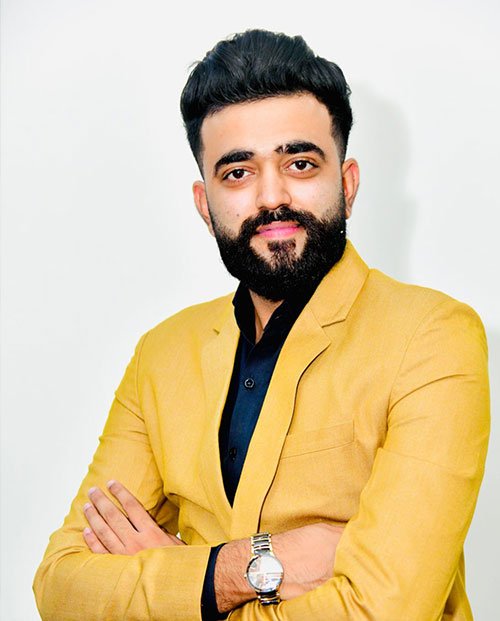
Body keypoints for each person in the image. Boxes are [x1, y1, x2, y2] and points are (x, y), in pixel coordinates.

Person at [33, 29, 490, 621]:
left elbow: (381, 610)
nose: (272, 197)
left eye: (299, 163)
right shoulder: (161, 356)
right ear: (205, 205)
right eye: (237, 173)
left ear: (348, 184)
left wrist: (175, 582)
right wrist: (246, 568)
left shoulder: (433, 338)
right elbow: (61, 586)